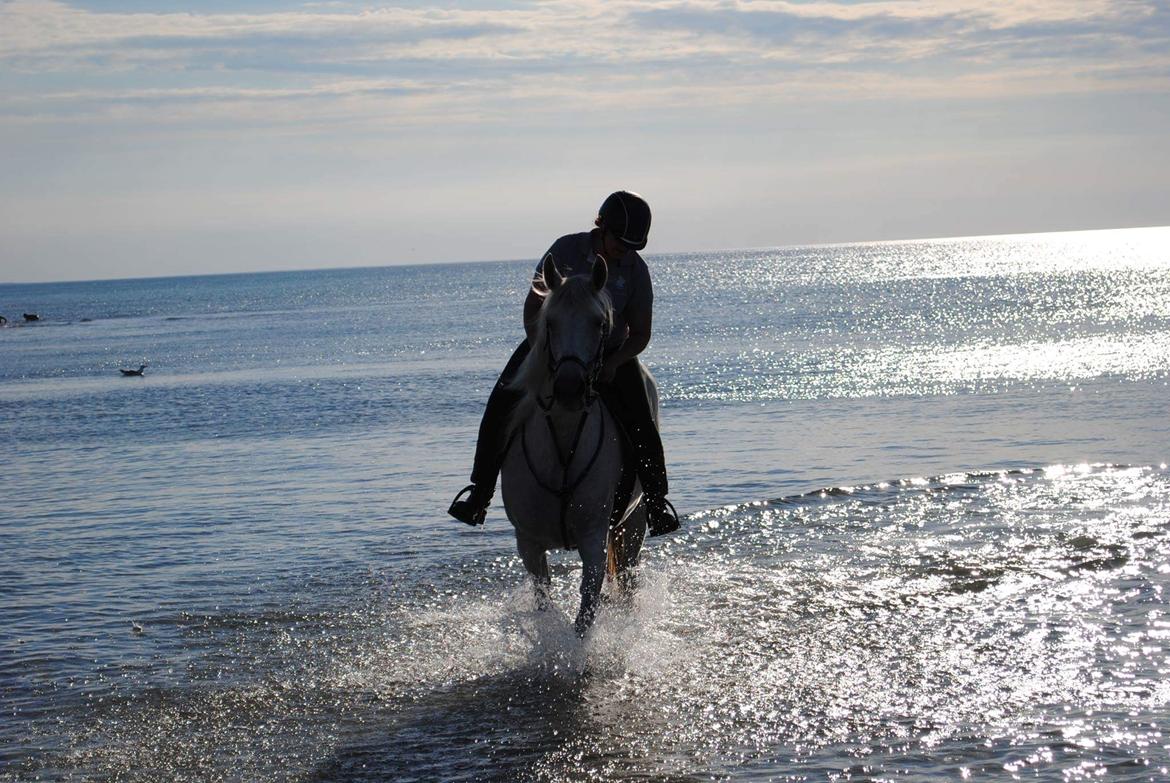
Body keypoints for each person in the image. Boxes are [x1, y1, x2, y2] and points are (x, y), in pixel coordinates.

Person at [449, 190, 680, 536]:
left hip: (608, 354)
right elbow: (532, 307)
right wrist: (541, 350)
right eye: (620, 241)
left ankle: (656, 502)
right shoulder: (565, 251)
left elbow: (641, 333)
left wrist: (615, 362)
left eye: (632, 245)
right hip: (550, 346)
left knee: (642, 422)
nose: (624, 250)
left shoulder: (635, 271)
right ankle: (479, 493)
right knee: (501, 403)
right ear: (601, 226)